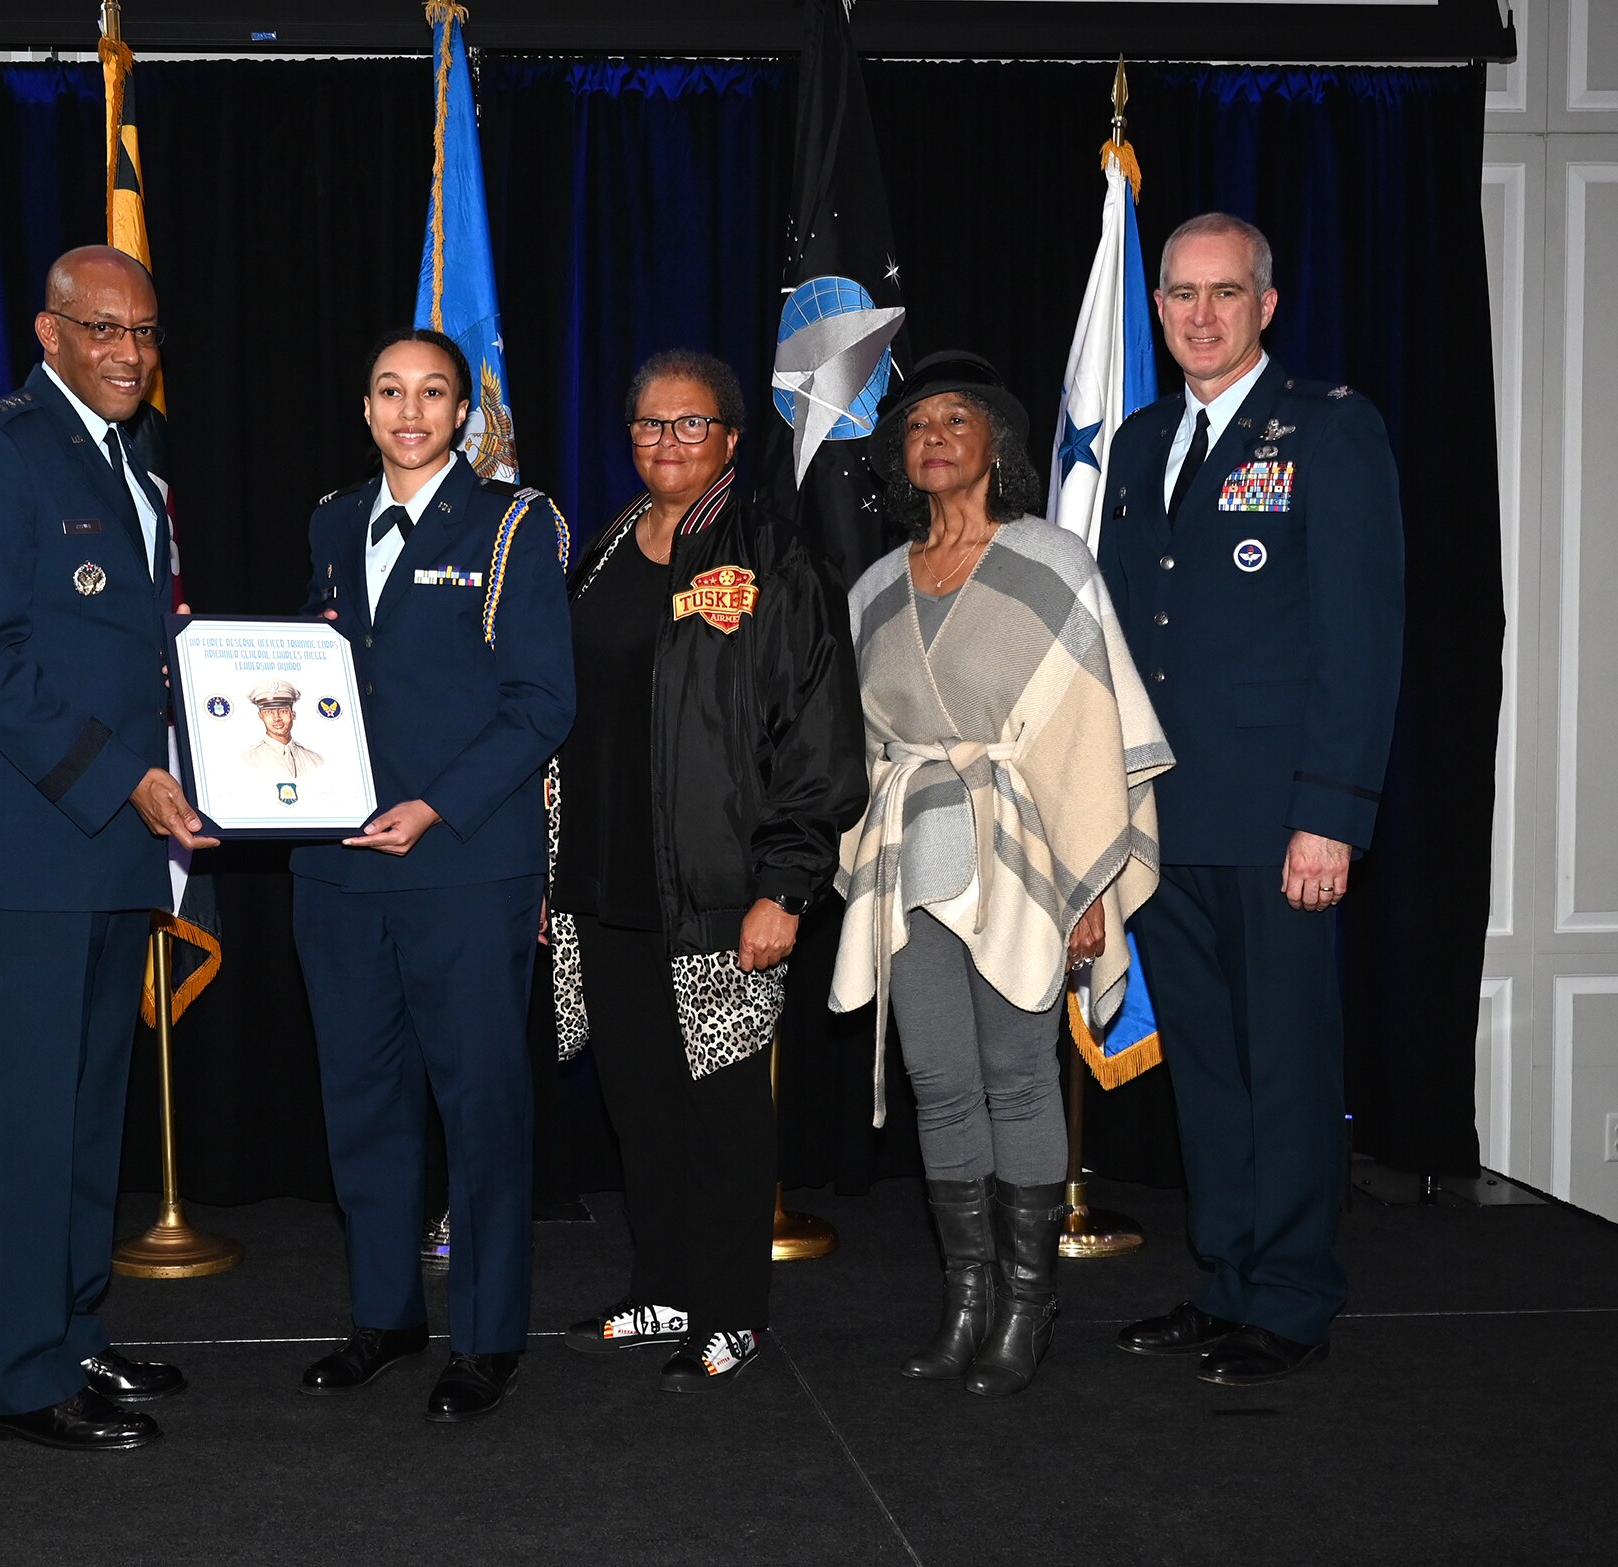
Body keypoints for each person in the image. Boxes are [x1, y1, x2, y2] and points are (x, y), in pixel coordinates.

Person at [0, 245, 216, 1450]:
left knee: (93, 1109)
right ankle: (15, 1377)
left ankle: (72, 1330)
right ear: (48, 333)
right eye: (103, 330)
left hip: (113, 844)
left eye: (144, 333)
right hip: (32, 848)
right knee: (34, 1114)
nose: (128, 354)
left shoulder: (129, 457)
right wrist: (121, 778)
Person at [829, 351, 1172, 1397]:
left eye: (954, 420)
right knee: (938, 1081)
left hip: (1030, 856)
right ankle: (965, 1300)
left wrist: (1085, 888)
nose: (930, 435)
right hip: (916, 855)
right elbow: (864, 742)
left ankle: (1027, 1306)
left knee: (1017, 1076)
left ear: (995, 446)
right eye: (915, 422)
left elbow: (1086, 733)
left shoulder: (1049, 563)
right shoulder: (874, 586)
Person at [1099, 213, 1403, 1386]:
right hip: (1167, 818)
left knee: (1284, 1063)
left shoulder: (1327, 431)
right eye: (1180, 293)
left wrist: (1329, 811)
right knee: (1210, 1068)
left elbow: (1358, 637)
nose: (1200, 315)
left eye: (1225, 293)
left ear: (1265, 304)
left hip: (1282, 819)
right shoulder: (1137, 443)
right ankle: (1225, 1277)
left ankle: (1289, 1293)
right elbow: (1123, 642)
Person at [549, 350, 865, 1390]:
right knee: (638, 1099)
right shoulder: (601, 548)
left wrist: (785, 885)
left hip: (720, 893)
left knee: (720, 1108)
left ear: (731, 438)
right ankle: (667, 1282)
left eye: (689, 426)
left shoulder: (774, 558)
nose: (665, 443)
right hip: (604, 881)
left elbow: (817, 740)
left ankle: (731, 1310)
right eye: (647, 425)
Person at [292, 328, 575, 1423]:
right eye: (388, 392)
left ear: (462, 412)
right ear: (364, 408)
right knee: (360, 1100)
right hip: (335, 866)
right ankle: (384, 1315)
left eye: (432, 394)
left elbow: (542, 702)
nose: (409, 412)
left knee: (482, 1106)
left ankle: (489, 1336)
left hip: (463, 861)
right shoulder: (328, 519)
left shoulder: (512, 524)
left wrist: (437, 804)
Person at [240, 678, 324, 777]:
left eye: (283, 711)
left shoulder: (315, 760)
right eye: (269, 712)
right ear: (260, 716)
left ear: (293, 714)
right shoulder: (247, 759)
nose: (277, 718)